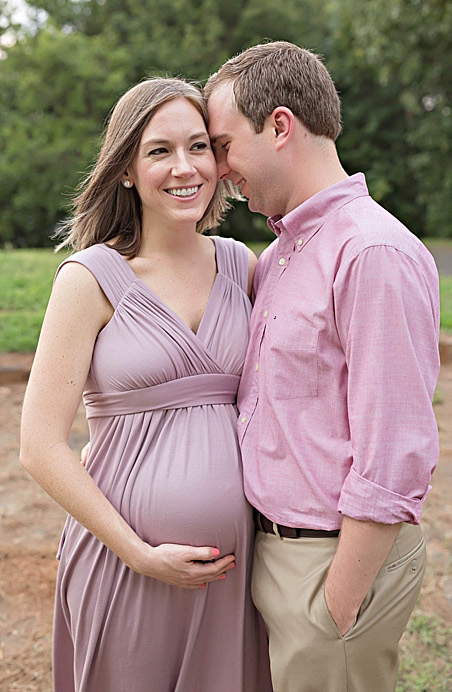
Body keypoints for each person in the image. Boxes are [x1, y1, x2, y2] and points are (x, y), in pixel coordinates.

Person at [18, 77, 271, 691]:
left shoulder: (244, 266)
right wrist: (138, 551)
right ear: (126, 169)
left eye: (198, 147)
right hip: (125, 563)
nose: (184, 167)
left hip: (236, 571)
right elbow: (40, 445)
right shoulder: (91, 278)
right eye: (159, 151)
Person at [204, 41, 441, 692]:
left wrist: (337, 601)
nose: (219, 169)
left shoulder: (371, 253)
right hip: (282, 556)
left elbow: (395, 452)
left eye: (224, 145)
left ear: (280, 127)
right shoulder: (283, 252)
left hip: (331, 564)